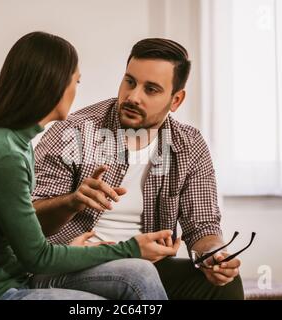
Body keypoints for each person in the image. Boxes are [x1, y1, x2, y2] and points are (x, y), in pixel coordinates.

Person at [0, 32, 180, 300]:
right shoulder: (1, 151)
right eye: (76, 81)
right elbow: (38, 258)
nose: (78, 90)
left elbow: (21, 245)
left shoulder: (18, 145)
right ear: (54, 85)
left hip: (16, 276)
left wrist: (77, 249)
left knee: (140, 274)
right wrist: (130, 248)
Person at [32, 38, 244, 300]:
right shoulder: (74, 130)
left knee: (221, 285)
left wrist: (214, 256)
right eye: (130, 82)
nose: (133, 97)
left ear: (175, 100)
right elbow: (30, 219)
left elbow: (202, 226)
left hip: (147, 265)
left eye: (151, 89)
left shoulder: (189, 144)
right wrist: (72, 202)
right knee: (138, 275)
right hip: (69, 265)